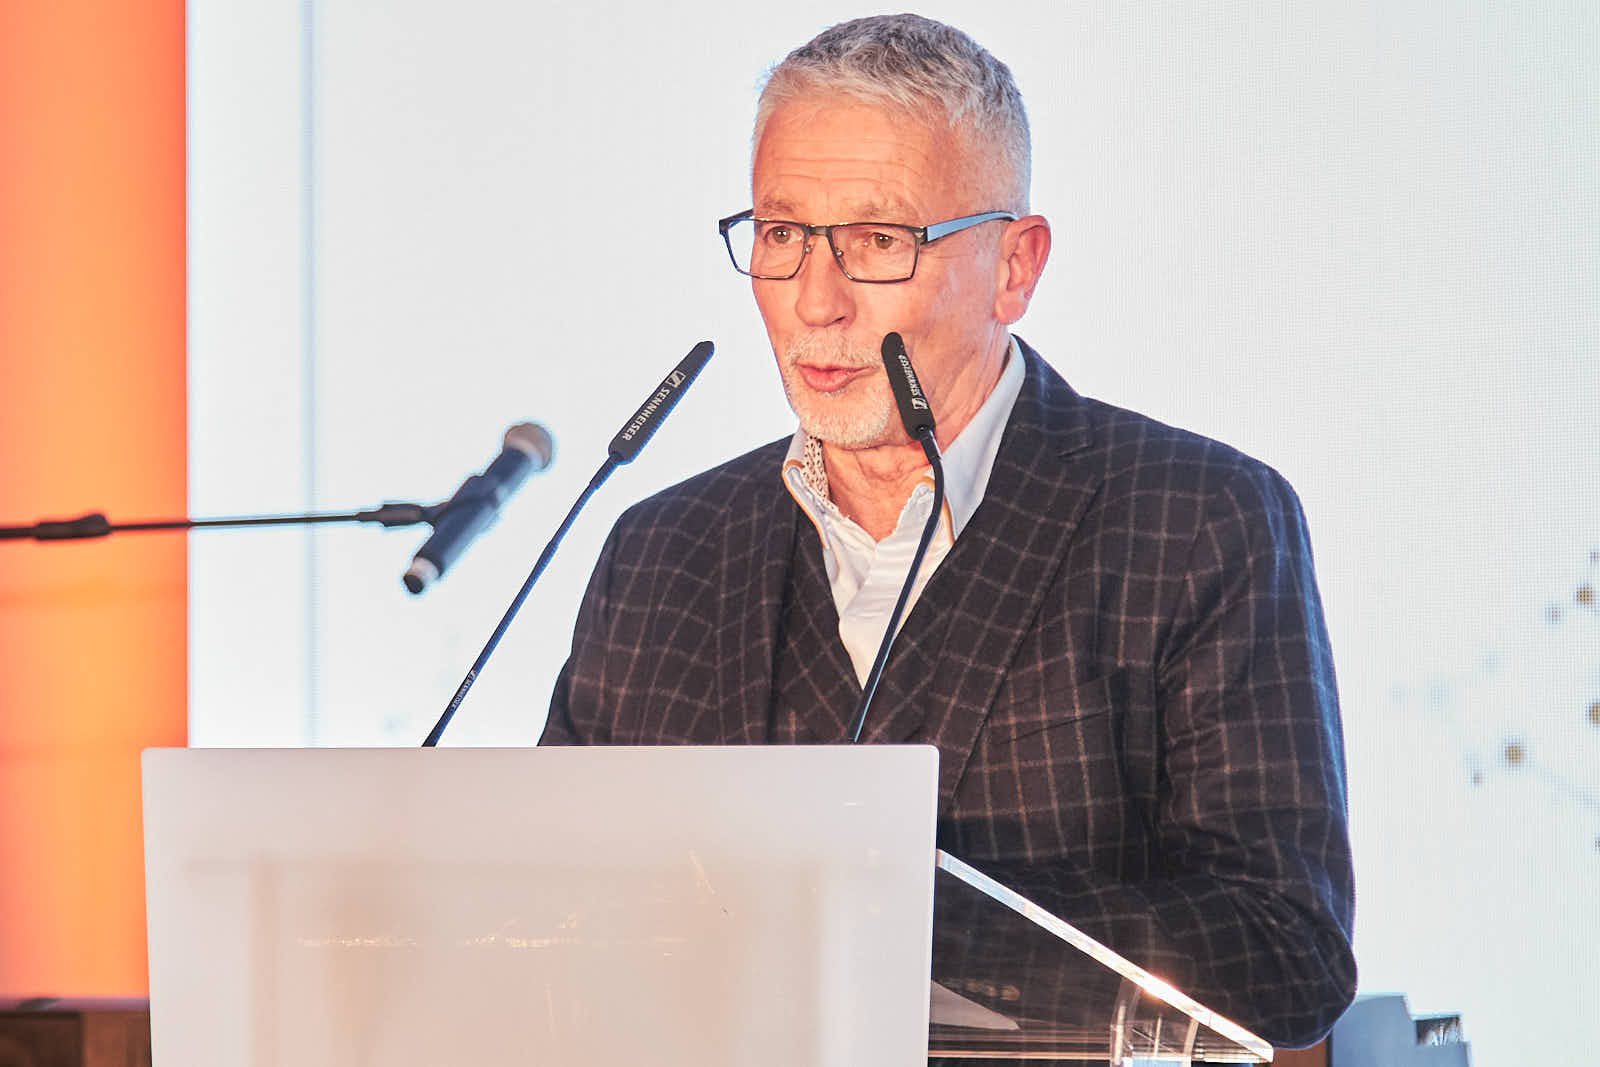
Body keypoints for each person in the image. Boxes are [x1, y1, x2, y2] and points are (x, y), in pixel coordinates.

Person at [541, 13, 1356, 1049]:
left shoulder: (1197, 520)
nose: (815, 302)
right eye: (783, 235)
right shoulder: (662, 553)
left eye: (879, 243)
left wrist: (895, 924)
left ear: (1016, 266)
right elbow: (543, 916)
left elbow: (1284, 948)